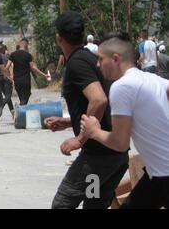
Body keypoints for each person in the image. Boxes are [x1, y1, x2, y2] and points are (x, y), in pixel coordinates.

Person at [44, 11, 128, 209]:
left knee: (62, 205)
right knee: (94, 204)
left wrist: (79, 139)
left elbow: (98, 100)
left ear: (59, 38)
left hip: (96, 159)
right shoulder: (89, 59)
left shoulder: (77, 63)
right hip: (113, 156)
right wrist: (68, 122)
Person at [80, 33, 169, 209]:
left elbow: (120, 143)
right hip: (155, 174)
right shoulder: (155, 79)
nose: (97, 65)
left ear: (115, 59)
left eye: (100, 59)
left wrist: (93, 131)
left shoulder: (122, 86)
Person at [6, 39, 50, 105]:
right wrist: (44, 75)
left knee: (22, 98)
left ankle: (21, 111)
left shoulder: (12, 54)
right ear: (26, 46)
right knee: (25, 98)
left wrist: (9, 77)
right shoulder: (28, 55)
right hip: (25, 81)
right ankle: (19, 110)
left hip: (17, 81)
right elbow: (33, 68)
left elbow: (7, 67)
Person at [0, 44, 14, 118]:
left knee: (7, 96)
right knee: (8, 96)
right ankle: (0, 106)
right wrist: (11, 77)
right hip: (6, 77)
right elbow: (12, 66)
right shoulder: (7, 56)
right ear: (4, 49)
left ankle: (12, 111)